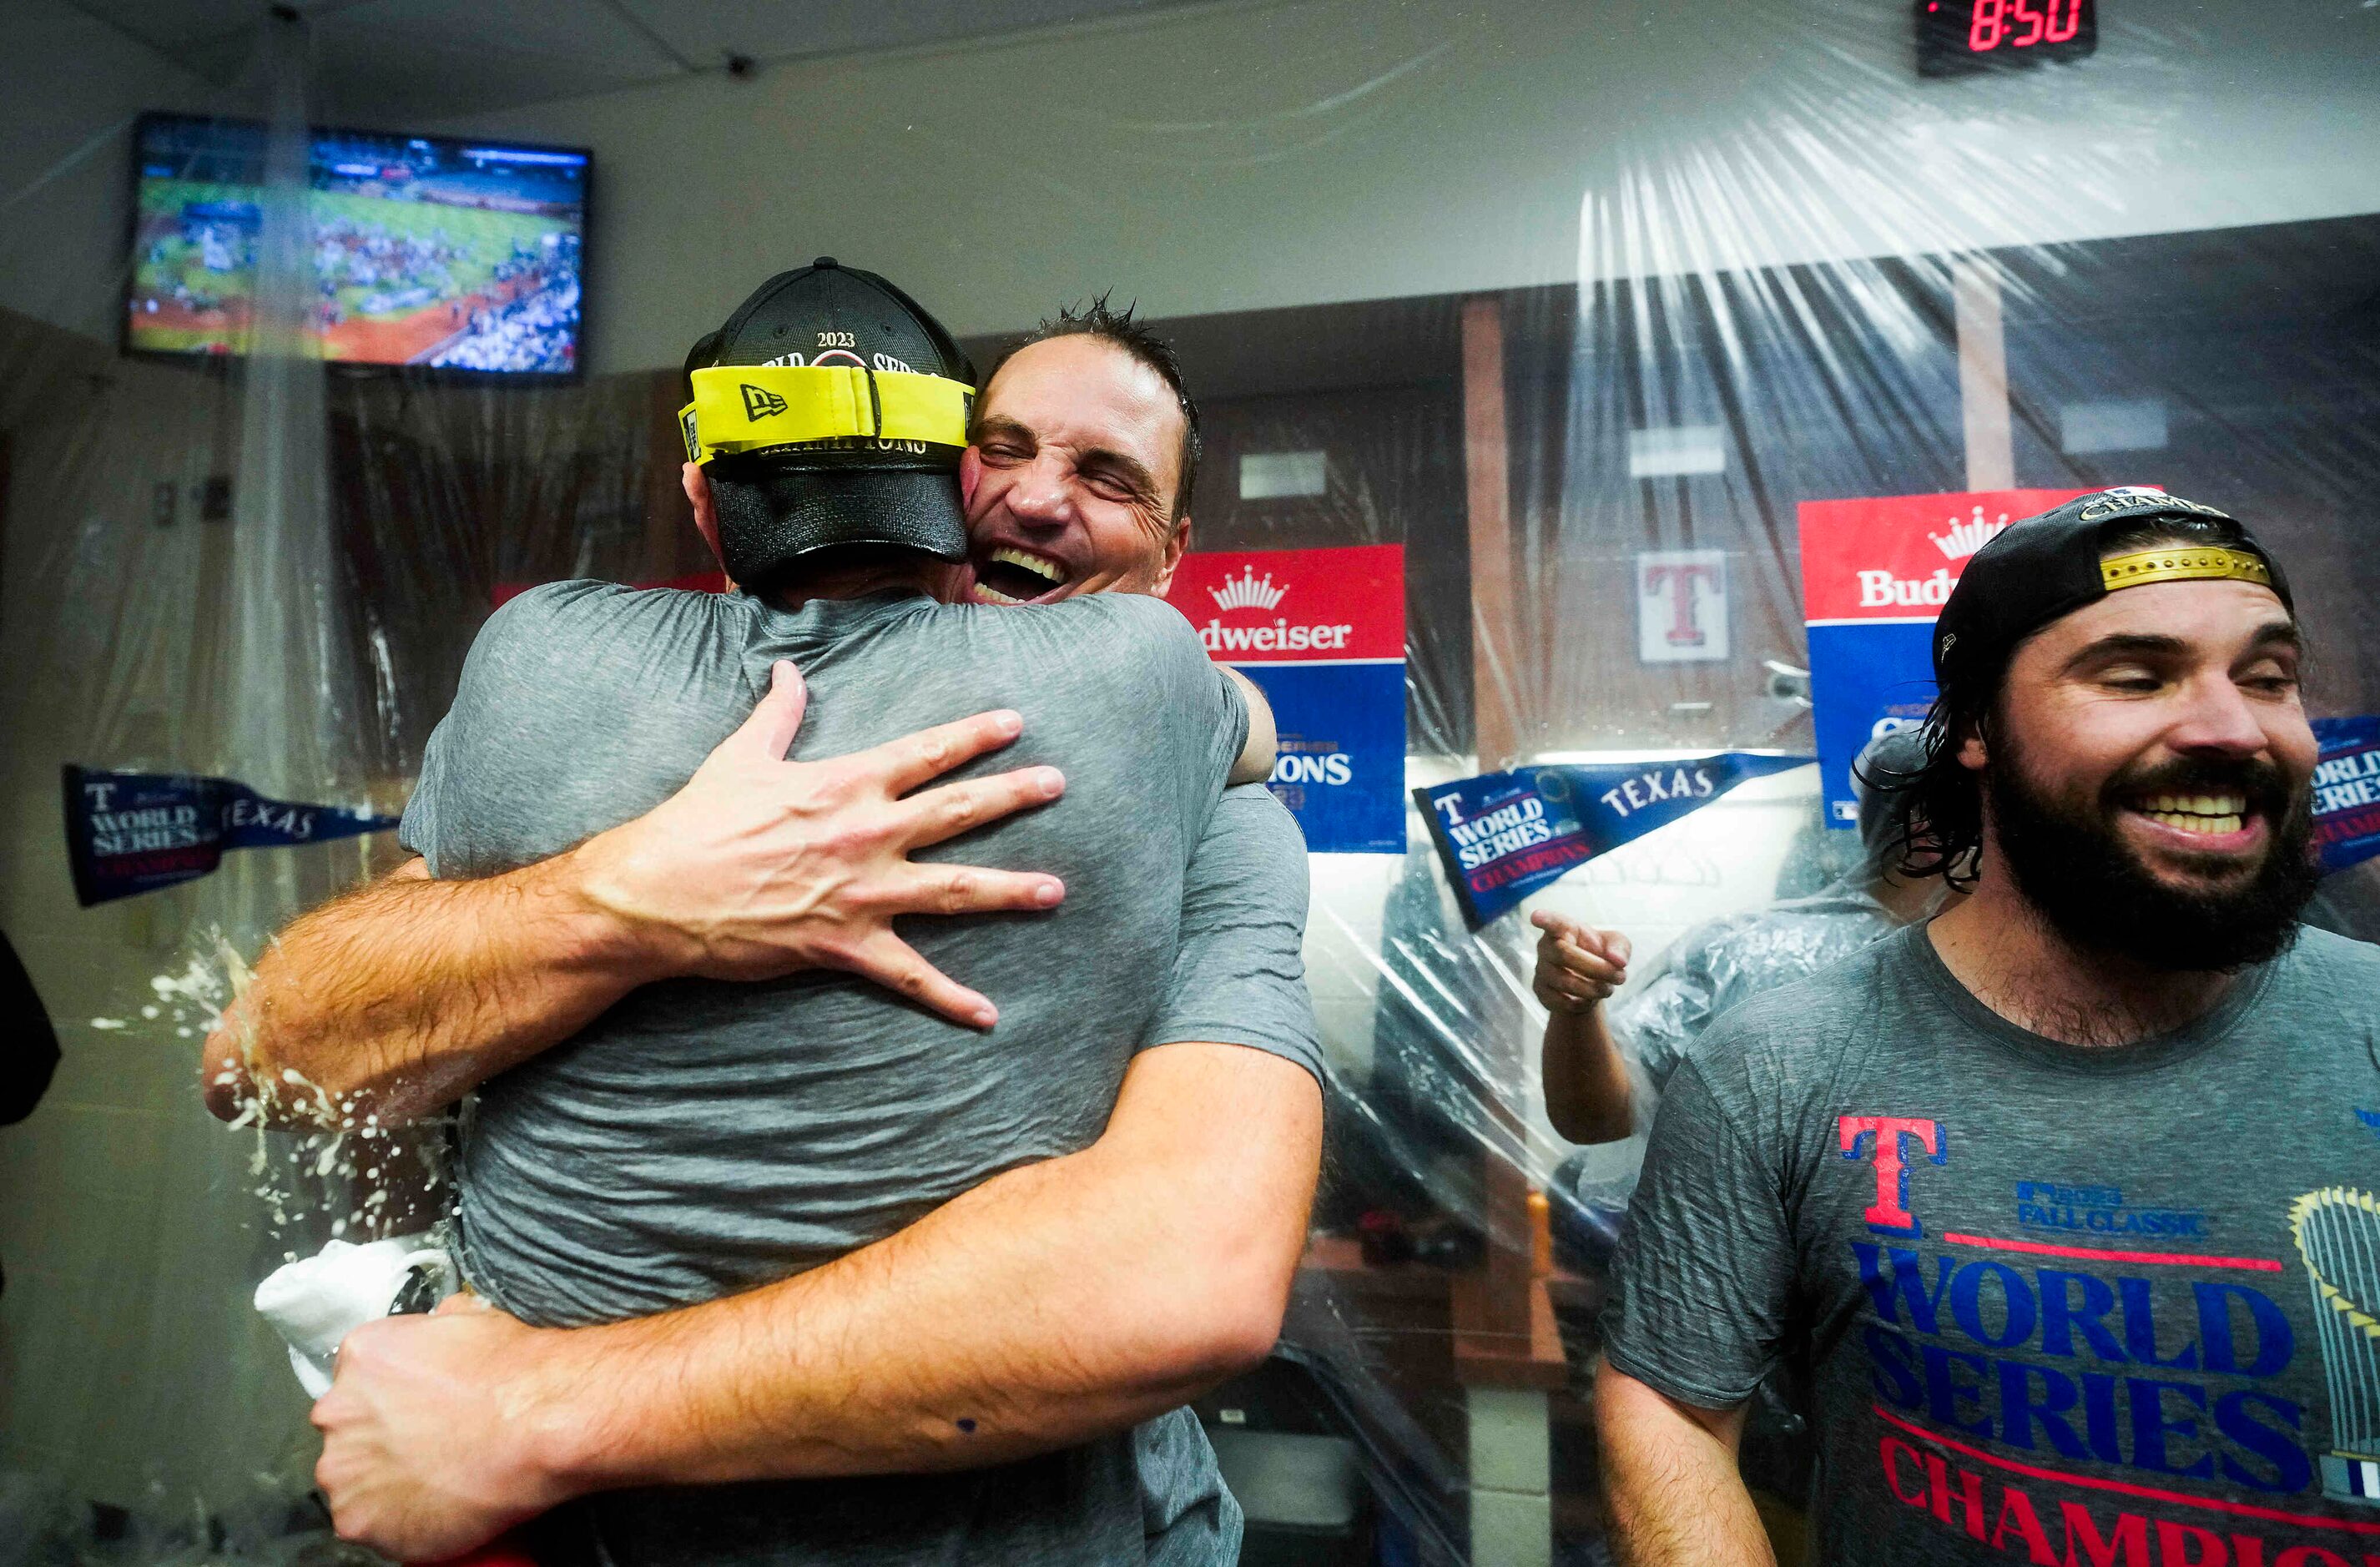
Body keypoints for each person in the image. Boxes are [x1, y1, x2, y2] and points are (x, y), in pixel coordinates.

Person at [203, 269, 1324, 1564]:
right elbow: (264, 1055)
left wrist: (533, 1411)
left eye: (1109, 476)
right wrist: (626, 897)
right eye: (999, 449)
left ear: (1176, 555)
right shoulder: (618, 721)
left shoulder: (1220, 826)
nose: (1032, 497)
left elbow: (1176, 1279)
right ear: (920, 467)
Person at [1591, 487, 2380, 1565]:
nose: (2232, 727)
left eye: (2269, 677)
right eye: (2137, 677)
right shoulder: (1780, 1061)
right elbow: (1668, 1406)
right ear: (1973, 731)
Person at [1533, 728, 1942, 1146]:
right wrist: (1577, 1008)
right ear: (1931, 833)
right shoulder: (1748, 959)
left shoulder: (1999, 971)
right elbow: (1602, 1117)